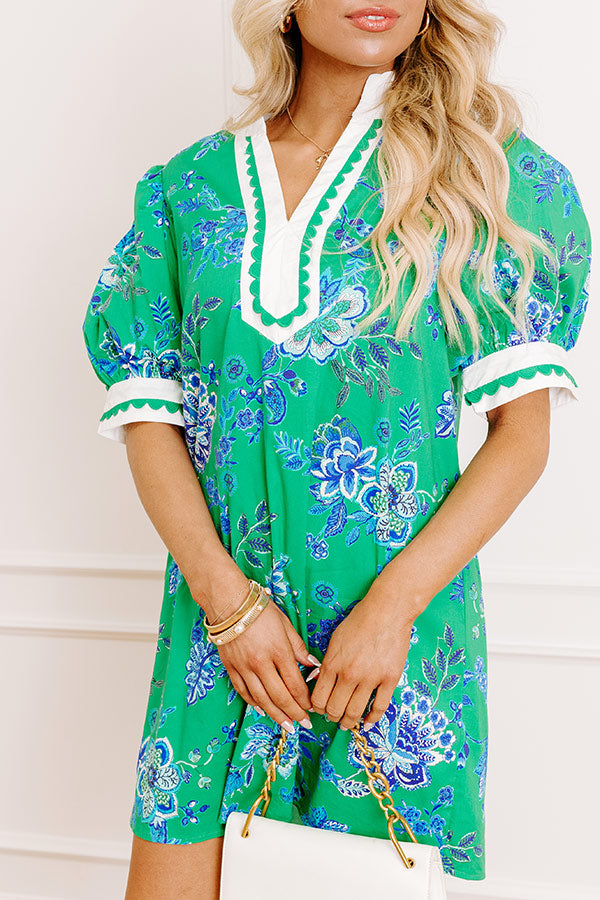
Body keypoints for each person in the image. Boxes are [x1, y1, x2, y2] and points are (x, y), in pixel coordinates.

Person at [82, 1, 591, 897]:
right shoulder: (187, 191)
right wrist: (228, 607)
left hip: (393, 659)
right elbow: (150, 419)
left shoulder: (490, 176)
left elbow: (522, 439)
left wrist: (390, 612)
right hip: (220, 645)